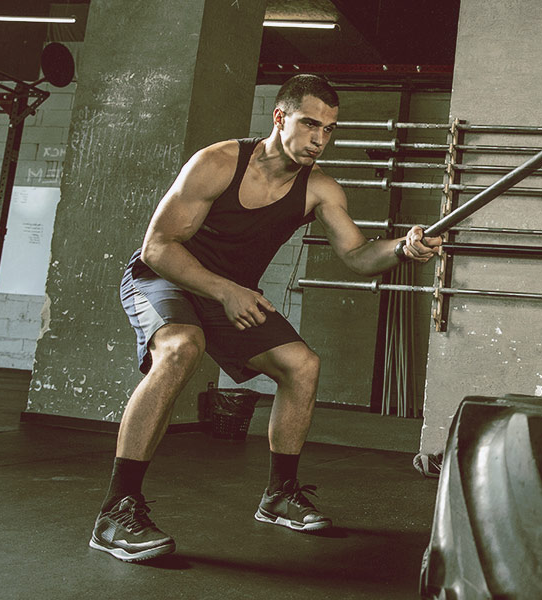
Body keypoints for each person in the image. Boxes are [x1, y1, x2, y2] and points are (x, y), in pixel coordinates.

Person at [89, 74, 441, 562]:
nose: (320, 139)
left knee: (302, 365)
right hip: (165, 278)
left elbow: (358, 255)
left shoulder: (319, 189)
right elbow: (158, 247)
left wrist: (403, 248)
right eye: (310, 124)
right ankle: (116, 512)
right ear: (280, 118)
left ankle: (279, 495)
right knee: (181, 347)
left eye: (330, 129)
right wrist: (226, 290)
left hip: (228, 294)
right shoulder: (219, 163)